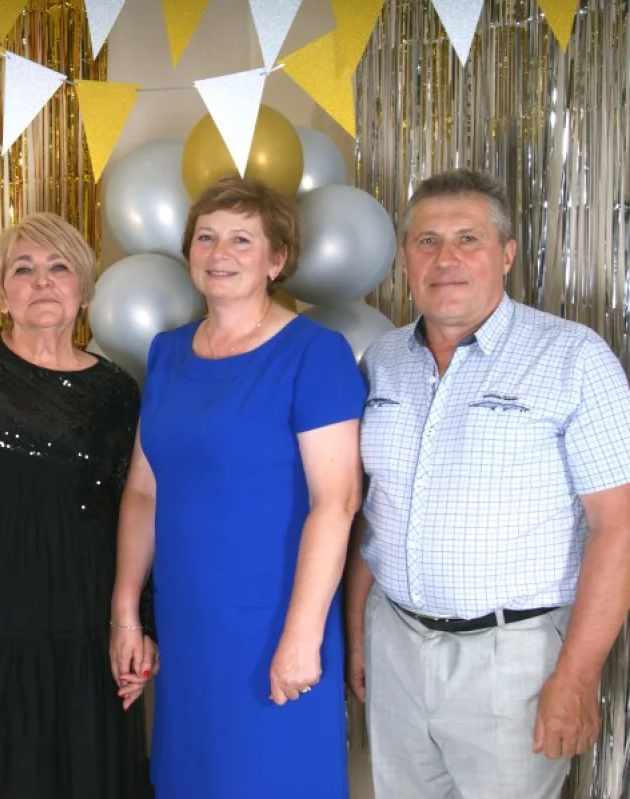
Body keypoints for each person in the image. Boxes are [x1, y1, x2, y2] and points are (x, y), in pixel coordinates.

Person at [345, 168, 630, 799]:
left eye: (467, 239)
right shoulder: (382, 361)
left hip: (515, 659)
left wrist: (577, 675)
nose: (445, 259)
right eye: (427, 241)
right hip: (393, 641)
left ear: (505, 255)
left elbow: (618, 527)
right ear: (405, 259)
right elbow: (371, 510)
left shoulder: (574, 357)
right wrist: (357, 634)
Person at [111, 176, 365, 798]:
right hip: (189, 624)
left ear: (277, 260)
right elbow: (144, 491)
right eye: (206, 237)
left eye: (242, 240)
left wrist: (303, 637)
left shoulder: (315, 354)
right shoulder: (168, 353)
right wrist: (126, 613)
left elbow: (337, 503)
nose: (219, 253)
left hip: (275, 621)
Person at [0, 212, 155, 799]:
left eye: (59, 267)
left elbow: (136, 506)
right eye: (23, 269)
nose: (42, 281)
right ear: (2, 292)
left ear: (84, 288)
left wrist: (139, 625)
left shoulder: (118, 390)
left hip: (84, 615)